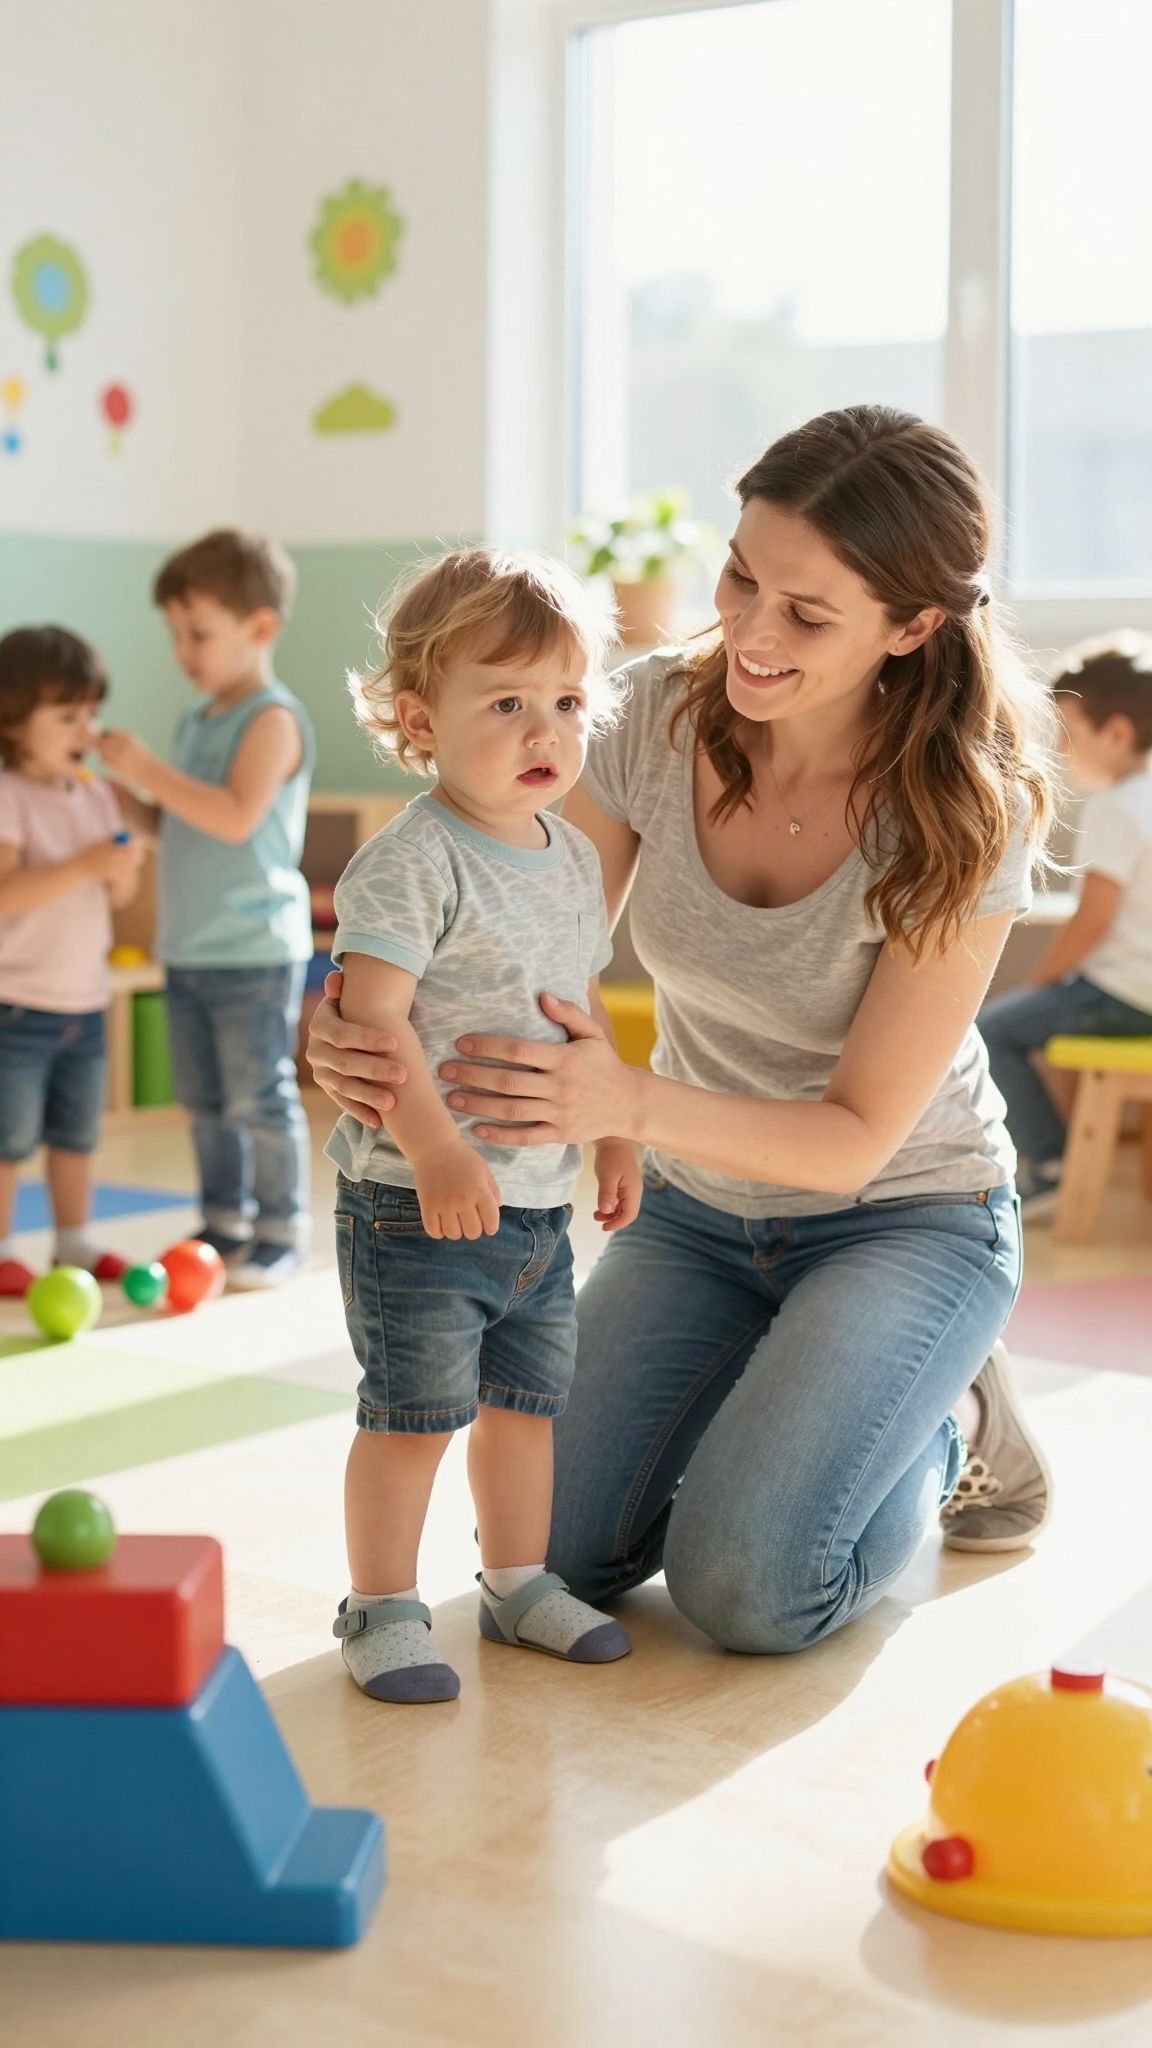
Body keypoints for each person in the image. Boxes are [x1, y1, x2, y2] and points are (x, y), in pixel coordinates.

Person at [307, 405, 1058, 1657]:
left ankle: (946, 1416)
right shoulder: (650, 718)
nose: (750, 635)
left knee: (749, 1590)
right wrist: (370, 1034)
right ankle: (804, 1390)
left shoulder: (967, 808)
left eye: (808, 615)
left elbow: (854, 1141)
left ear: (913, 626)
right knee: (571, 1551)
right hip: (701, 1213)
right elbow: (531, 955)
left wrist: (627, 1108)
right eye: (741, 576)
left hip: (904, 1212)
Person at [328, 549, 638, 1703]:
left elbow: (579, 1000)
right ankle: (381, 1603)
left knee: (526, 1412)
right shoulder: (410, 859)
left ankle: (515, 1581)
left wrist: (614, 1125)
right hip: (418, 1204)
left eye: (564, 700)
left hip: (540, 1207)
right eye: (505, 702)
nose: (543, 727)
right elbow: (370, 1023)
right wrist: (437, 1145)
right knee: (414, 1417)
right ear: (421, 718)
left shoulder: (571, 856)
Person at [99, 529, 315, 1289]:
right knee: (205, 1100)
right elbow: (178, 824)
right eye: (175, 634)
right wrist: (130, 799)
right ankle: (223, 1221)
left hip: (252, 948)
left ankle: (280, 1227)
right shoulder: (198, 719)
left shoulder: (271, 719)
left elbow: (232, 817)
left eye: (198, 632)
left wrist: (148, 770)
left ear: (258, 628)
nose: (182, 651)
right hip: (189, 945)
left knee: (259, 1095)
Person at [979, 634, 1152, 1212]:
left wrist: (1042, 981)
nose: (1061, 749)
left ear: (1118, 733)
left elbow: (1093, 921)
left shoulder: (1117, 806)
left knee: (992, 1030)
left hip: (1120, 993)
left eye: (1069, 734)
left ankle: (1050, 1165)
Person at [0, 626, 145, 1296]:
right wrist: (85, 863)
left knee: (76, 1135)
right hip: (17, 1005)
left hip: (84, 1002)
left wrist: (120, 869)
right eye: (66, 716)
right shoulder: (9, 793)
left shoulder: (94, 793)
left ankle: (73, 1241)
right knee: (8, 1141)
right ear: (13, 721)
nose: (85, 729)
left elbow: (120, 892)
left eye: (91, 713)